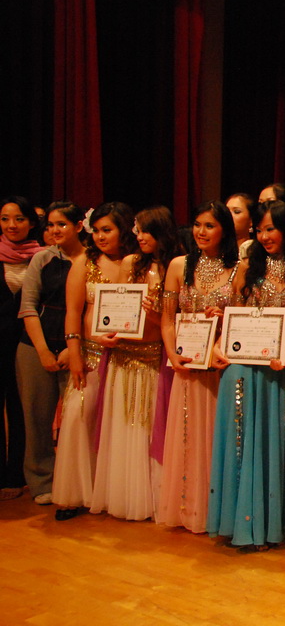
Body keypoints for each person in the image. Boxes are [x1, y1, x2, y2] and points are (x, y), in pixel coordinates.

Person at [208, 200, 285, 550]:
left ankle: (278, 524)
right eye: (259, 230)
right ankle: (244, 523)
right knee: (242, 444)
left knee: (277, 445)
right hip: (244, 370)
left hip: (281, 373)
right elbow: (234, 315)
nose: (264, 236)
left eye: (271, 229)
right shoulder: (247, 267)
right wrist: (220, 344)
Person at [89, 206, 180, 521]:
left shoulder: (175, 267)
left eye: (144, 230)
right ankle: (122, 496)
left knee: (147, 424)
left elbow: (172, 321)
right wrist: (106, 331)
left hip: (153, 355)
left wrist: (156, 314)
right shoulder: (131, 263)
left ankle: (153, 499)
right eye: (136, 231)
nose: (138, 236)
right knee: (122, 423)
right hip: (124, 353)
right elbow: (119, 306)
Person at [158, 201, 239, 533]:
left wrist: (226, 319)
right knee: (189, 435)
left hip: (222, 365)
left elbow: (248, 319)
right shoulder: (179, 265)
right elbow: (166, 319)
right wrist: (172, 354)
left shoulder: (239, 268)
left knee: (220, 436)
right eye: (197, 224)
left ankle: (219, 510)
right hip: (188, 364)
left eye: (209, 225)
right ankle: (189, 508)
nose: (201, 232)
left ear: (224, 230)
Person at [54, 202, 138, 520]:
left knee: (117, 424)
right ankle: (74, 495)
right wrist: (75, 354)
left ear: (124, 231)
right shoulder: (84, 262)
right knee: (78, 416)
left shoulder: (138, 263)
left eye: (108, 230)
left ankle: (109, 492)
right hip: (90, 354)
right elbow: (73, 313)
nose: (101, 237)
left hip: (127, 356)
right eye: (97, 230)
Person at [16, 202, 86, 506]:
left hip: (77, 349)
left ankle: (75, 481)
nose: (54, 231)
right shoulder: (42, 259)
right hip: (35, 347)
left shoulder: (92, 260)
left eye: (62, 224)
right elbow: (28, 306)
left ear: (79, 227)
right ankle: (41, 480)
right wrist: (43, 351)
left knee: (77, 419)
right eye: (50, 225)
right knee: (37, 418)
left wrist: (74, 350)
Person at [0, 197, 42, 500]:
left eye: (18, 219)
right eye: (4, 219)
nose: (11, 225)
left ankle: (15, 474)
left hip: (27, 344)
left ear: (31, 222)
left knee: (21, 408)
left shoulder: (45, 257)